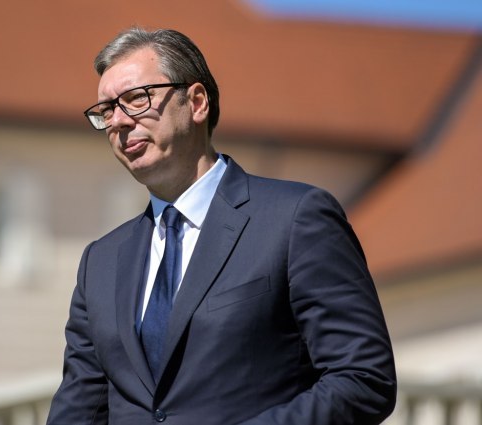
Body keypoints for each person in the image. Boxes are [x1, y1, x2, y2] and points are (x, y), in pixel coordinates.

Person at [47, 27, 396, 425]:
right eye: (107, 110)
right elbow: (77, 411)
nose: (119, 122)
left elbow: (363, 379)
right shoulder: (100, 263)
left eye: (136, 99)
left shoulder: (295, 218)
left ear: (196, 102)